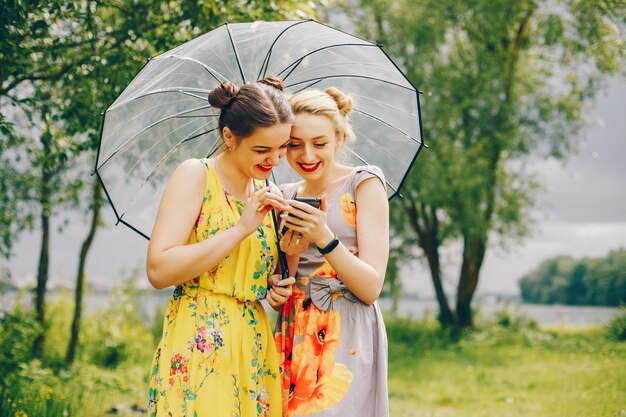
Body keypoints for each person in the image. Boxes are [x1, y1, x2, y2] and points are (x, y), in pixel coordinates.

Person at [146, 76, 296, 417]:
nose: (274, 160)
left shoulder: (267, 193)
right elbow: (159, 269)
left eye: (282, 147)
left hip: (253, 340)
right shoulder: (196, 175)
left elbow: (252, 270)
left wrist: (274, 283)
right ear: (229, 136)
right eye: (261, 150)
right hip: (200, 337)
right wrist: (241, 229)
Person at [272, 87, 390, 417]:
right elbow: (285, 278)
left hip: (347, 329)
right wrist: (279, 283)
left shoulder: (363, 183)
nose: (307, 155)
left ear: (339, 139)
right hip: (294, 328)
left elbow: (370, 287)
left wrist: (324, 237)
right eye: (294, 144)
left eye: (319, 143)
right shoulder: (282, 195)